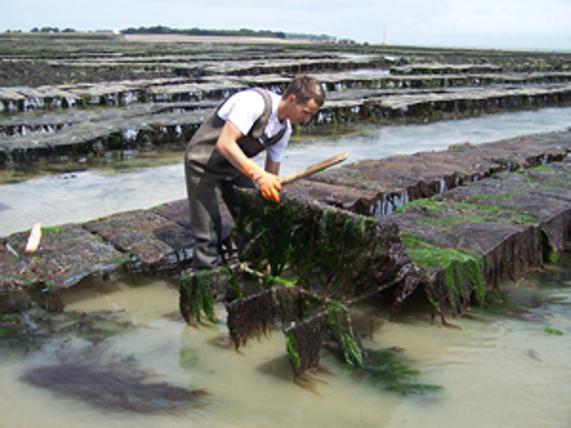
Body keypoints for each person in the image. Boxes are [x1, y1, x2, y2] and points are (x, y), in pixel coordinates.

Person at [183, 75, 325, 273]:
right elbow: (225, 143)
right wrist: (258, 176)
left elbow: (272, 173)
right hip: (203, 163)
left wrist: (272, 193)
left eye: (311, 115)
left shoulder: (283, 131)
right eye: (306, 112)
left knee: (253, 219)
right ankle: (204, 284)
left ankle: (252, 274)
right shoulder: (254, 103)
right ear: (292, 99)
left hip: (234, 168)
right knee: (208, 234)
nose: (307, 119)